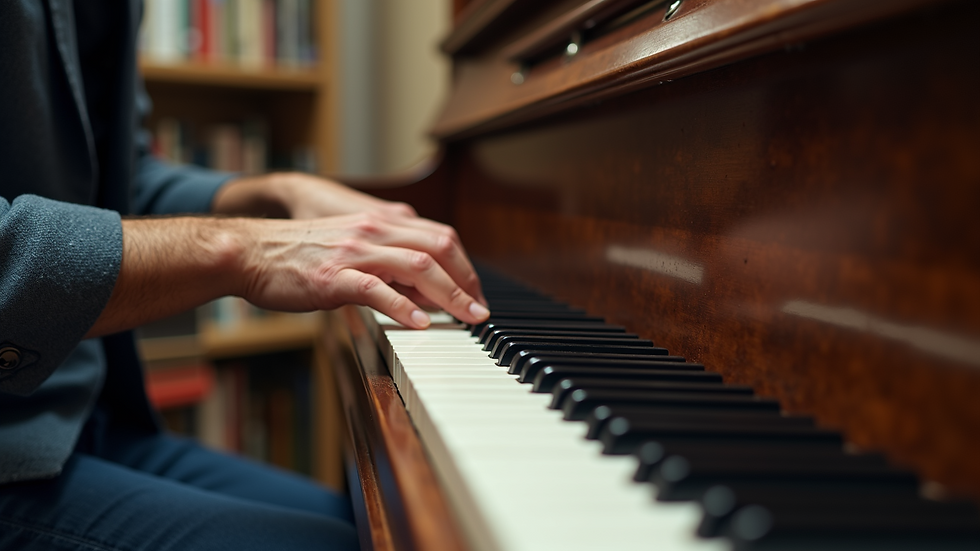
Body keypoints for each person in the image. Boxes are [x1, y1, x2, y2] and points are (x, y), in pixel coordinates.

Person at [0, 2, 489, 550]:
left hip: (77, 419)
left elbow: (116, 183)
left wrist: (277, 193)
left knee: (375, 523)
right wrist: (242, 249)